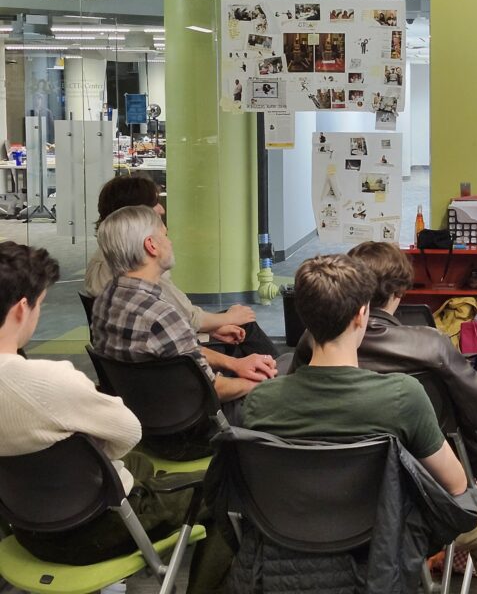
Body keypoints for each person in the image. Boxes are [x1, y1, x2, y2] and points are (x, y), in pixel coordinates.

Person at [243, 254, 477, 594]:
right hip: (386, 532)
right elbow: (456, 486)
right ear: (362, 314)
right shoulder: (402, 396)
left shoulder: (260, 401)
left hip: (287, 533)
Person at [0, 241, 227, 589]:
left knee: (139, 467)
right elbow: (128, 431)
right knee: (224, 489)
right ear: (20, 310)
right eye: (40, 306)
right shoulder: (49, 382)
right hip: (98, 529)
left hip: (25, 528)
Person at [91, 205, 278, 435]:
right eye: (165, 236)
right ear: (151, 246)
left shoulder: (104, 301)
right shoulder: (160, 315)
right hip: (197, 430)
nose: (170, 243)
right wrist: (262, 383)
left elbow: (178, 353)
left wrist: (235, 365)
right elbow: (212, 388)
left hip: (145, 424)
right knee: (282, 381)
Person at [85, 175, 279, 359]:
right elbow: (183, 320)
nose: (161, 210)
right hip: (179, 363)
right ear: (134, 216)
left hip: (162, 361)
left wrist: (212, 328)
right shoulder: (138, 279)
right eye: (154, 204)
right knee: (247, 326)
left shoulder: (106, 276)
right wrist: (227, 321)